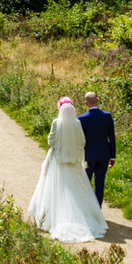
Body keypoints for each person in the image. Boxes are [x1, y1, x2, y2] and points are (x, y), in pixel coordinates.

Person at [26, 97, 107, 242]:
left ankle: (50, 217)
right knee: (76, 188)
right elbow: (82, 141)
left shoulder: (56, 122)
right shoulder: (77, 123)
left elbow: (51, 140)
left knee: (54, 187)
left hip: (58, 160)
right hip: (73, 161)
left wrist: (54, 146)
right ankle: (80, 217)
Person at [78, 91, 117, 205]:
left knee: (85, 183)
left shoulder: (81, 118)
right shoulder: (107, 116)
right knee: (100, 183)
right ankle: (97, 210)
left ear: (86, 103)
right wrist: (112, 156)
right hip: (104, 154)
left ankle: (86, 209)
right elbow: (112, 138)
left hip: (88, 155)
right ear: (98, 100)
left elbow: (80, 139)